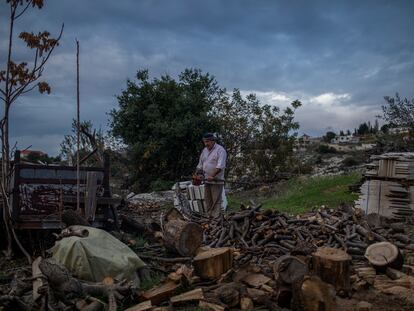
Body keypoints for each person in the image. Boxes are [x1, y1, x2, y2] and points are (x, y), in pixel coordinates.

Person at [196, 133, 227, 218]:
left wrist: (212, 176)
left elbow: (220, 166)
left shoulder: (220, 150)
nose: (206, 144)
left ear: (213, 141)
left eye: (207, 142)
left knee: (216, 201)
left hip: (217, 180)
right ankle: (209, 217)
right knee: (207, 200)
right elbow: (200, 165)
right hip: (206, 180)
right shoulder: (204, 151)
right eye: (204, 142)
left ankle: (216, 219)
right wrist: (199, 174)